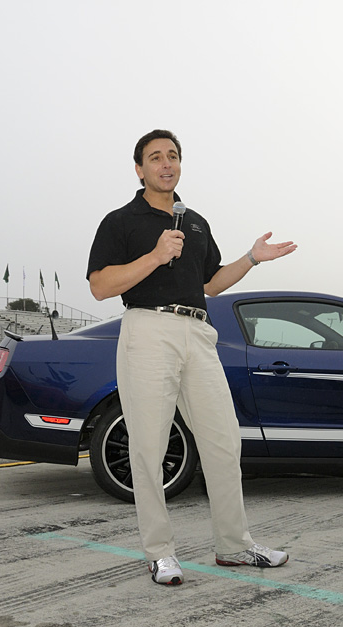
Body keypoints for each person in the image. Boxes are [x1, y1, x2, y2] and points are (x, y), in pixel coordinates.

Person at [86, 129, 297, 586]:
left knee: (224, 442)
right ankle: (160, 553)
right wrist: (155, 255)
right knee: (149, 447)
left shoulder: (196, 221)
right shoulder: (120, 221)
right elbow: (101, 285)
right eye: (155, 157)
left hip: (199, 332)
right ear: (140, 169)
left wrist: (252, 258)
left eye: (173, 156)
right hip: (148, 330)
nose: (166, 164)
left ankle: (234, 546)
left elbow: (211, 283)